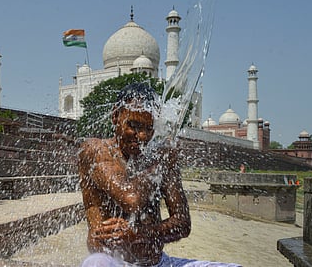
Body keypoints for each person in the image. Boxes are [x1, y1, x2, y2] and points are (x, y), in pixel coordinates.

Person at [78, 82, 241, 267]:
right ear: (116, 116)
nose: (141, 136)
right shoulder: (95, 149)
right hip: (110, 260)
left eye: (149, 129)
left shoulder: (158, 157)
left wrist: (141, 235)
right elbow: (131, 199)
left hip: (157, 262)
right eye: (134, 125)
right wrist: (161, 161)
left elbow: (182, 223)